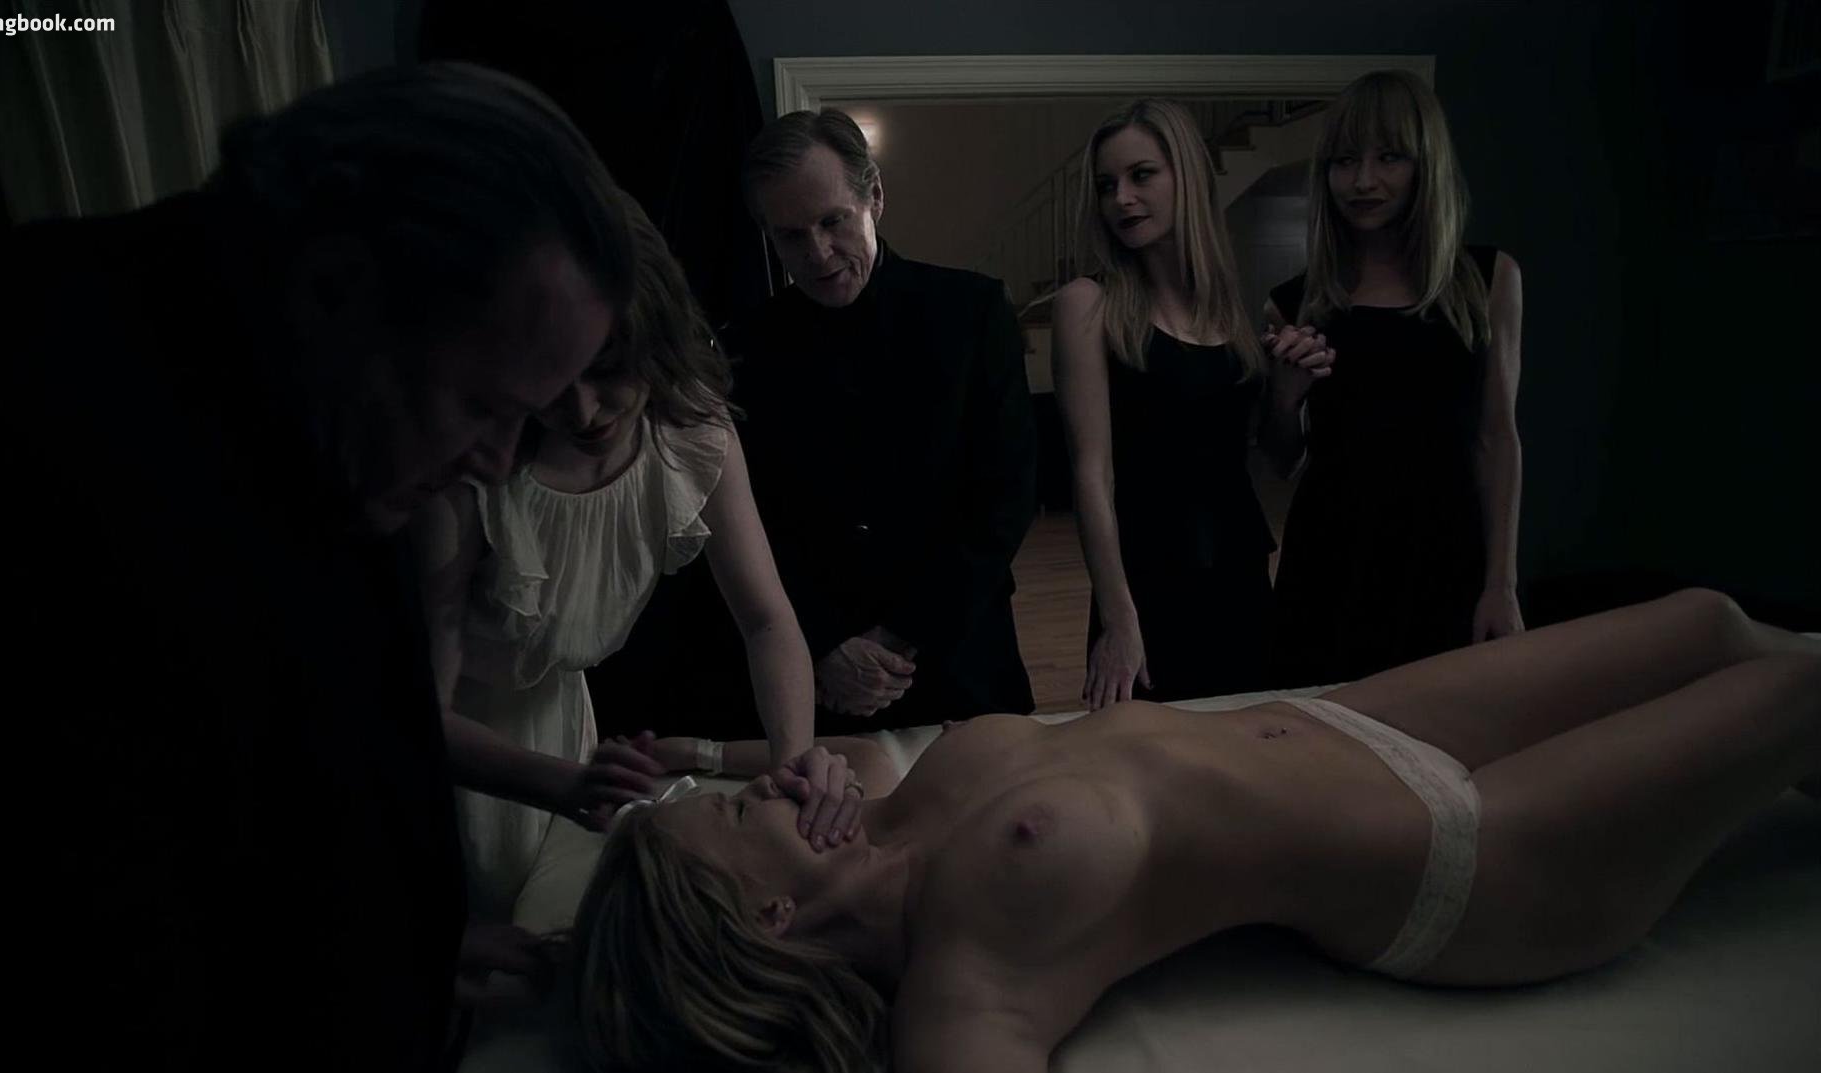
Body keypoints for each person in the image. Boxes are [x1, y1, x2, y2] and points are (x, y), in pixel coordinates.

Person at [0, 63, 633, 1070]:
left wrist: (408, 940)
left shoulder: (335, 422)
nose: (499, 459)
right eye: (483, 405)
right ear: (338, 285)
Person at [569, 589, 1818, 1071]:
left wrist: (708, 765)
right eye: (733, 817)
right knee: (1797, 692)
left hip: (1357, 716)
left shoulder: (881, 808)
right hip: (1471, 852)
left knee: (1712, 621)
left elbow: (811, 760)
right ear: (769, 916)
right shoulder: (960, 981)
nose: (758, 793)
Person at [410, 197, 861, 920]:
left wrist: (790, 769)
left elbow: (767, 620)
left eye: (607, 369)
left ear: (654, 334)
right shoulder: (475, 471)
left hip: (561, 730)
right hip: (457, 754)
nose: (583, 411)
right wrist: (560, 784)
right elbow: (416, 712)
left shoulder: (691, 432)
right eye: (552, 379)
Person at [718, 107, 1038, 732]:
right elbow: (755, 521)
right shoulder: (743, 348)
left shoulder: (972, 312)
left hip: (963, 658)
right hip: (816, 676)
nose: (817, 253)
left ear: (876, 198)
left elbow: (1006, 499)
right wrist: (825, 643)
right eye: (790, 235)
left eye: (832, 221)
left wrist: (897, 638)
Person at [1261, 69, 1525, 686]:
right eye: (1345, 161)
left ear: (1426, 165)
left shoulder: (1488, 281)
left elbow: (1497, 439)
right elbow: (1280, 458)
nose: (1363, 181)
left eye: (1389, 157)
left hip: (1446, 554)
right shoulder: (1295, 301)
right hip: (1330, 560)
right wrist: (1285, 396)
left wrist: (1501, 583)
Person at [1053, 99, 1284, 707]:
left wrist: (1291, 385)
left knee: (1246, 750)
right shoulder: (1088, 304)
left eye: (1141, 175)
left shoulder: (1231, 312)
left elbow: (1267, 455)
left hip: (1240, 576)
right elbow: (1092, 475)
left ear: (1187, 175)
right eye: (1107, 185)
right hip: (1145, 587)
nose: (1122, 199)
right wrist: (1119, 619)